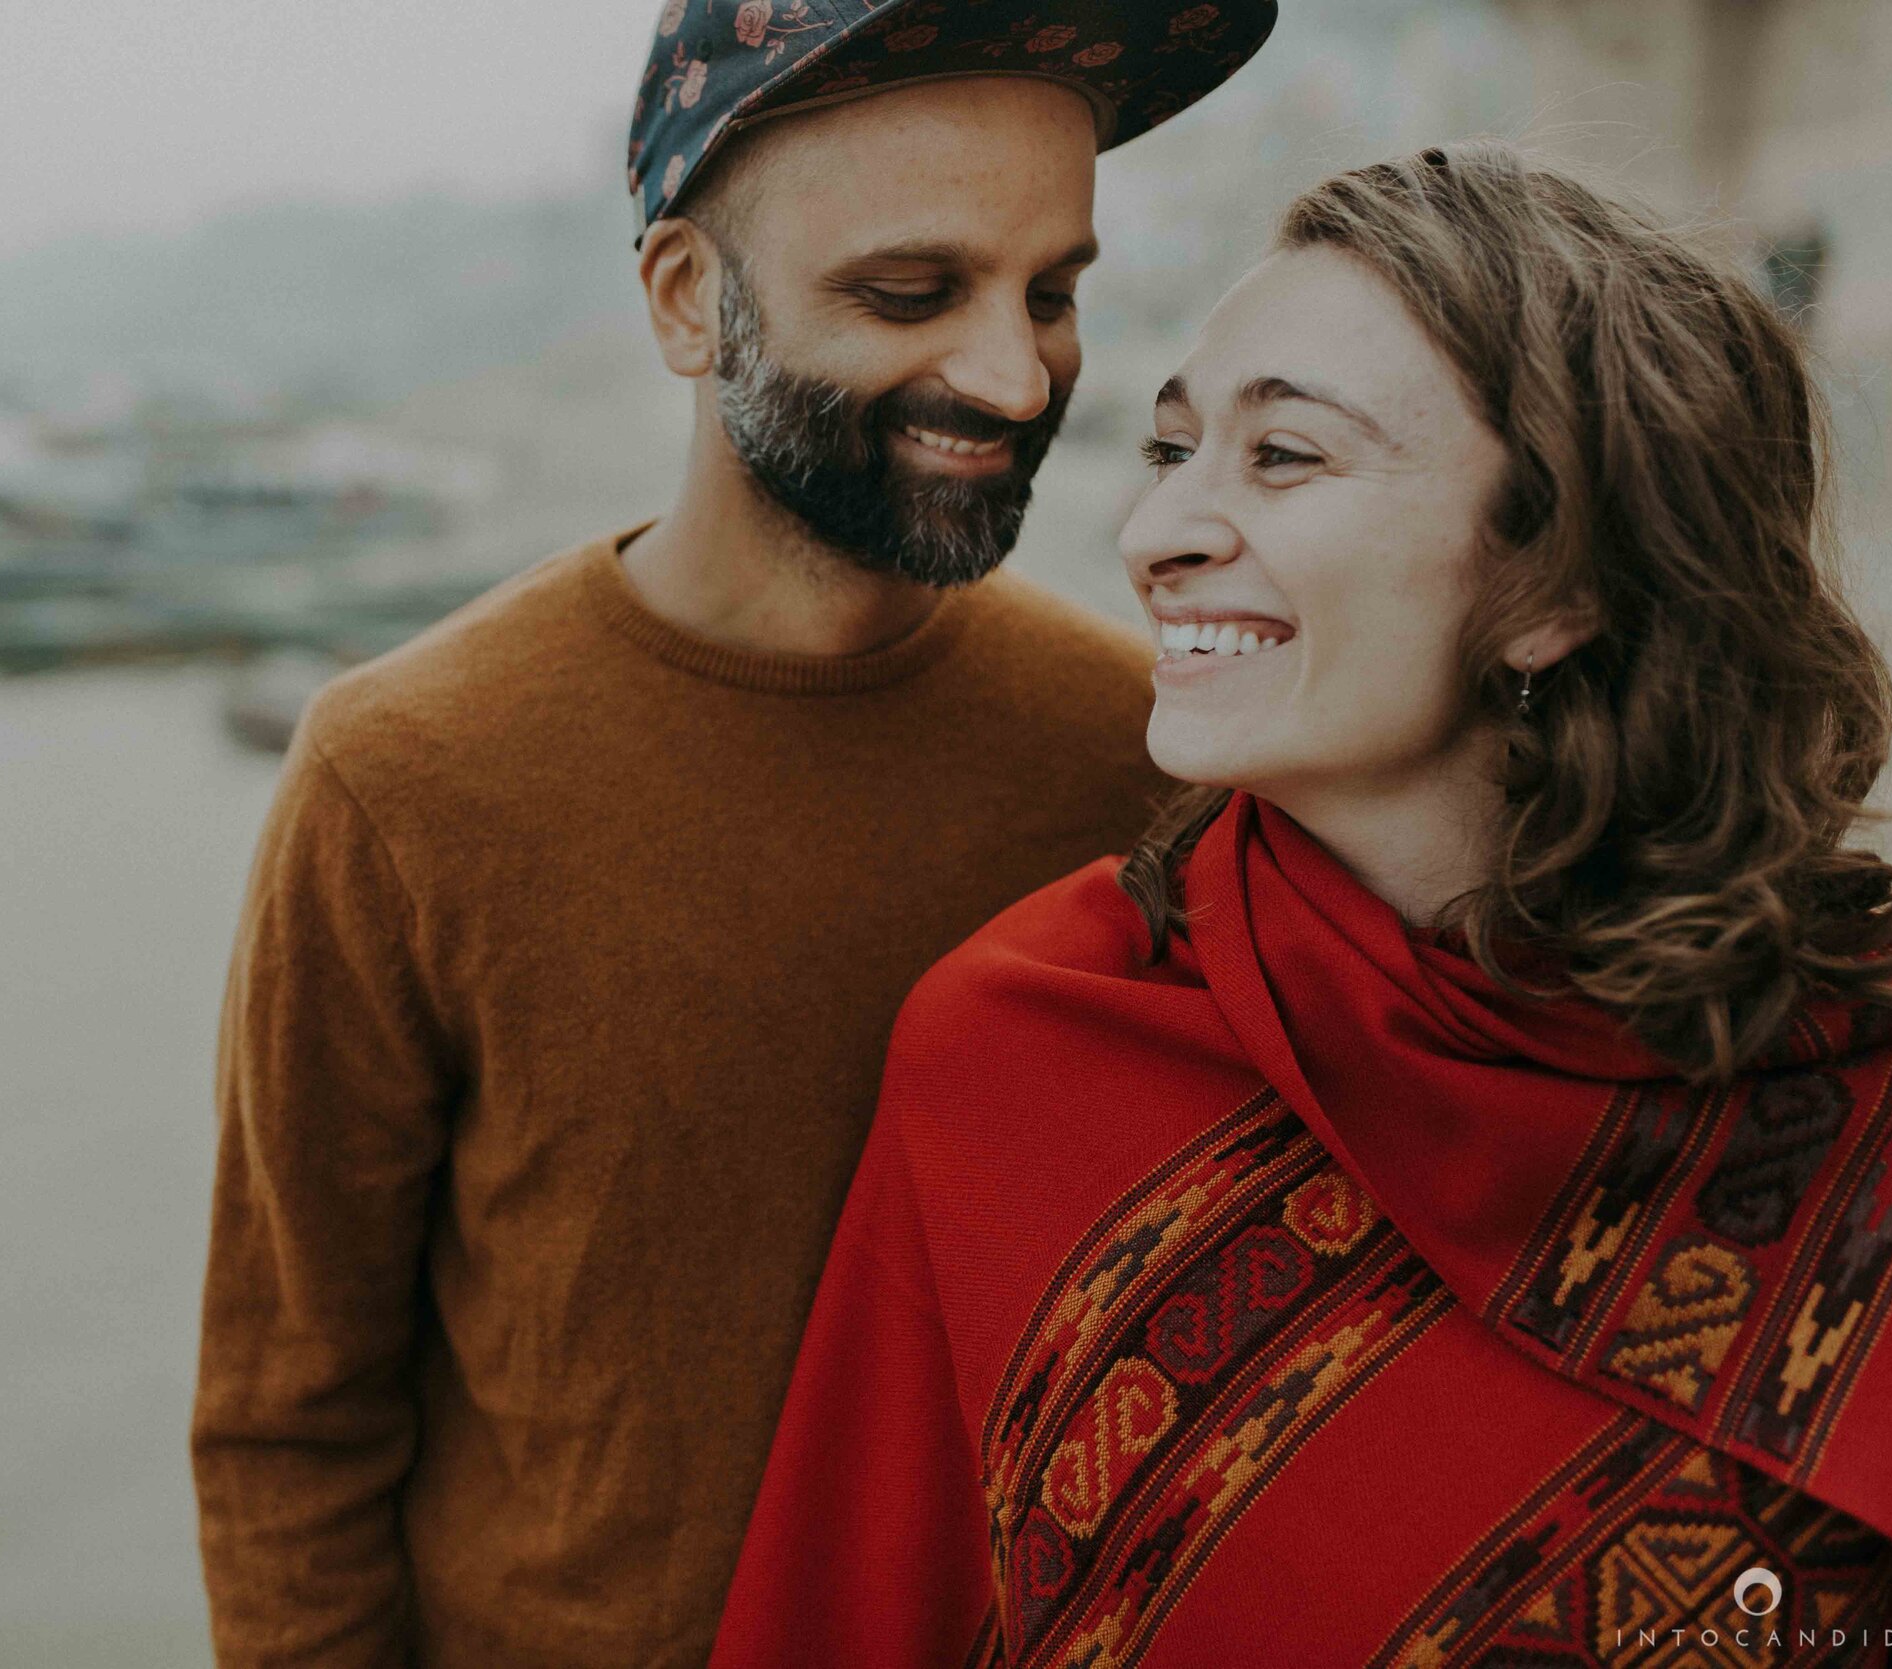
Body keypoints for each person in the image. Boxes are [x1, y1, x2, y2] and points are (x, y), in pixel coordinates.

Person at [713, 141, 1892, 1667]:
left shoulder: (1887, 1107)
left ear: (1560, 579)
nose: (1156, 538)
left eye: (1284, 457)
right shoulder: (1028, 1046)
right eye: (1172, 453)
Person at [190, 4, 1277, 1665]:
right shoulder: (400, 781)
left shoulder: (1154, 762)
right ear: (689, 299)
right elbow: (290, 1431)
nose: (1012, 374)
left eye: (1052, 291)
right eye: (910, 293)